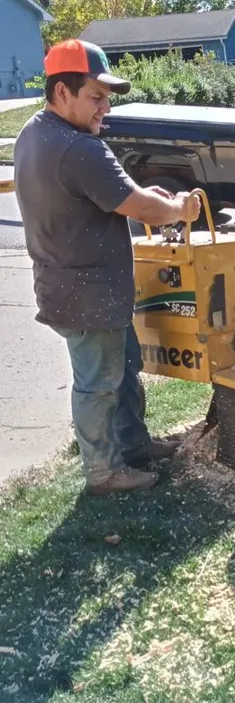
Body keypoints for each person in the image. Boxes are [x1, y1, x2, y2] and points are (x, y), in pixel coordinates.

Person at [14, 39, 202, 495]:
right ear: (62, 92)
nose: (106, 108)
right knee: (98, 384)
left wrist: (144, 197)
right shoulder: (79, 148)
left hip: (71, 284)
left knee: (122, 369)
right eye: (96, 97)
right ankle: (103, 472)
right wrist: (179, 208)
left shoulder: (34, 134)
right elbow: (141, 208)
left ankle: (134, 447)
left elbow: (111, 195)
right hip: (88, 292)